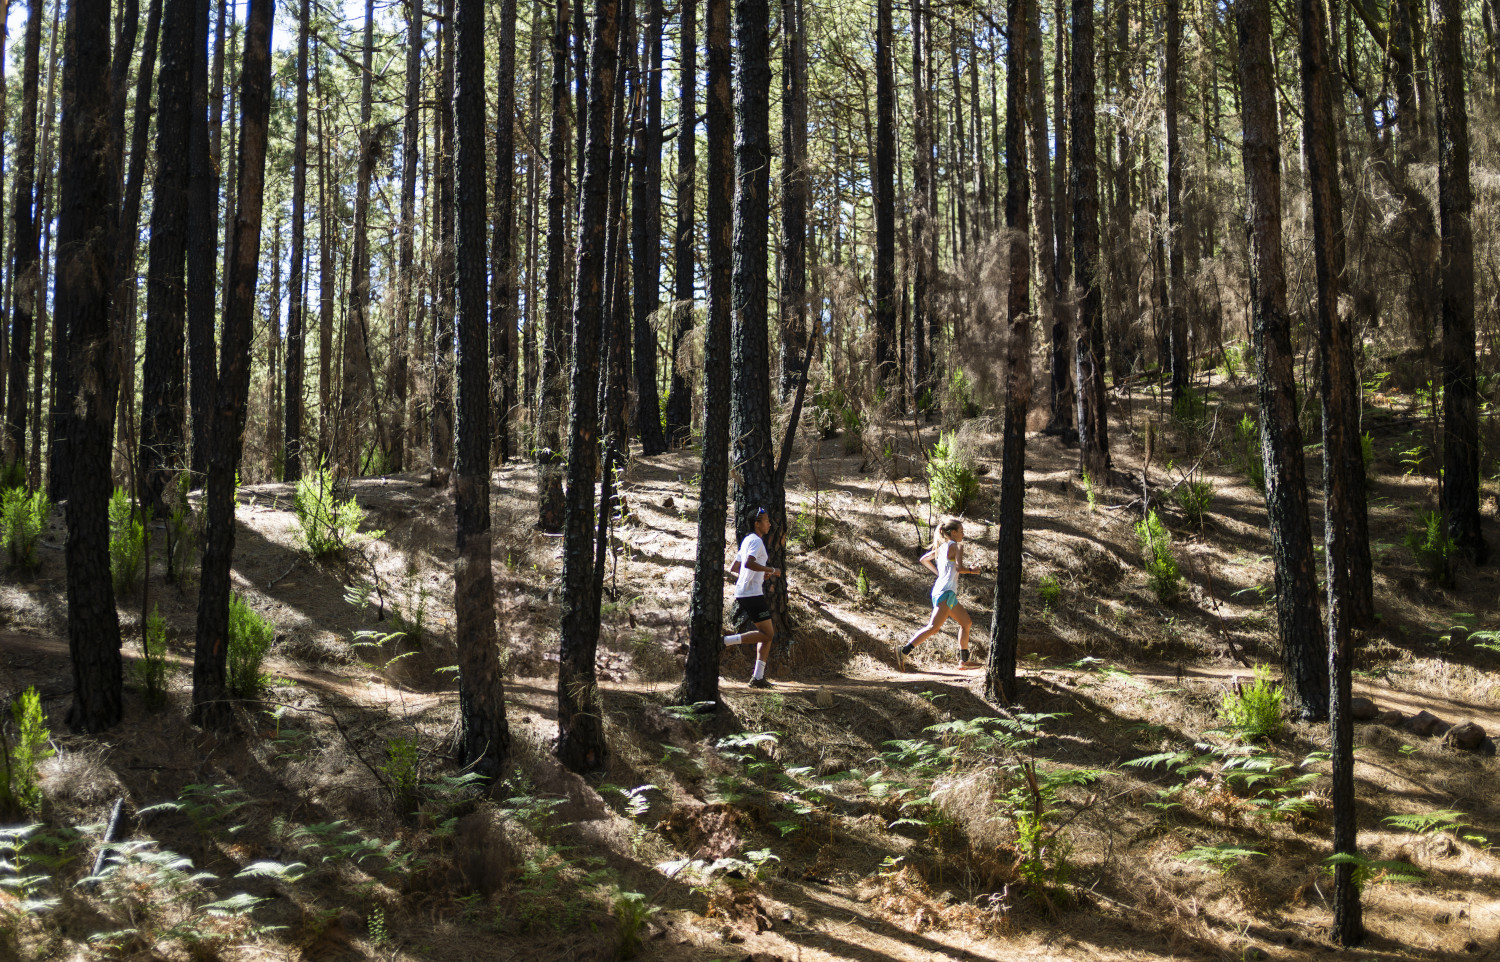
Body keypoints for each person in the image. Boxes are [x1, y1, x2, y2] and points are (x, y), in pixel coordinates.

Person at [897, 518, 982, 671]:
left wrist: (940, 574)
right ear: (953, 532)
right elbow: (959, 568)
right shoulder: (956, 546)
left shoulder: (941, 548)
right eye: (961, 531)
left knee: (966, 622)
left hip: (945, 592)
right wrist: (972, 570)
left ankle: (964, 661)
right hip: (945, 592)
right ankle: (904, 650)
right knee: (933, 627)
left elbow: (923, 559)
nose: (964, 534)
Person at [725, 507, 780, 688]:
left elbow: (735, 567)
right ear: (757, 524)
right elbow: (749, 563)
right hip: (751, 593)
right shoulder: (756, 541)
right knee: (768, 633)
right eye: (765, 521)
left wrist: (758, 574)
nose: (769, 523)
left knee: (767, 635)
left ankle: (758, 677)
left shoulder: (747, 540)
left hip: (744, 592)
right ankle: (725, 641)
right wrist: (771, 570)